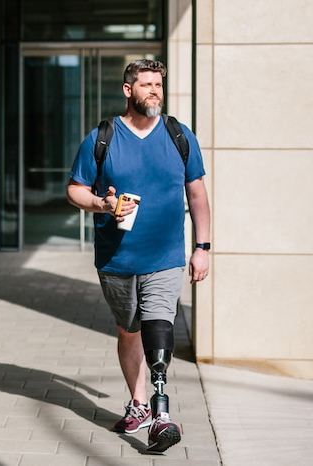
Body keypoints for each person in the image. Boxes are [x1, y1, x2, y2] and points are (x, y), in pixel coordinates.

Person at [65, 59, 211, 453]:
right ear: (128, 90)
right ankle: (138, 402)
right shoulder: (103, 137)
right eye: (147, 85)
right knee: (129, 329)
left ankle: (162, 414)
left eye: (159, 85)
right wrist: (101, 203)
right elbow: (75, 189)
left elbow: (196, 193)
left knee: (159, 324)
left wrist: (202, 247)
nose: (155, 92)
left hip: (165, 256)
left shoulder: (180, 136)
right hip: (116, 259)